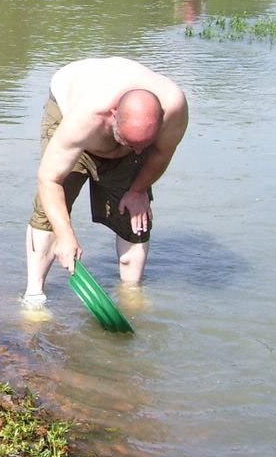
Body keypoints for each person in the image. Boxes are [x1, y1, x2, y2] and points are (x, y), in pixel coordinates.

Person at [23, 57, 188, 305]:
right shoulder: (84, 118)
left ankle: (132, 296)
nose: (140, 153)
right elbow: (49, 179)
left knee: (136, 214)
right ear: (113, 116)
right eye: (131, 144)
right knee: (50, 211)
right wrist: (65, 235)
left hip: (128, 126)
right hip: (71, 104)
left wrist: (138, 189)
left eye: (144, 145)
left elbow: (161, 153)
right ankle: (34, 296)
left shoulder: (174, 107)